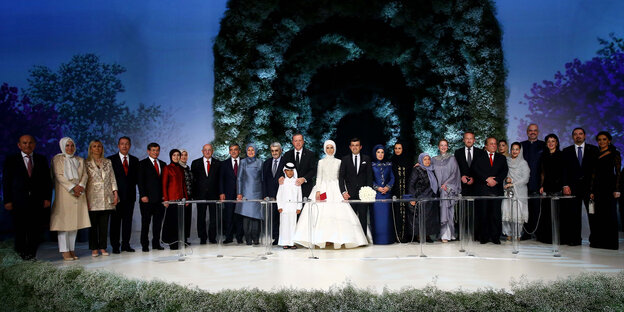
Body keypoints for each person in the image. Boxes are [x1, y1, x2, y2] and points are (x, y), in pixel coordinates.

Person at [294, 140, 368, 248]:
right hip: (323, 188)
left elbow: (341, 177)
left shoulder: (339, 161)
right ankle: (323, 239)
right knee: (321, 214)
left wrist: (343, 191)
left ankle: (336, 239)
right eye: (327, 148)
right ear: (325, 149)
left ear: (334, 149)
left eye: (331, 147)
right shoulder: (321, 162)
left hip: (336, 189)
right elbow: (319, 177)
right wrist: (318, 190)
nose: (329, 150)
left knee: (337, 214)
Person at [2, 134, 53, 260]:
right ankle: (21, 253)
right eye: (24, 143)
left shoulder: (41, 159)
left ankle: (31, 253)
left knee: (34, 229)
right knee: (20, 229)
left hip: (36, 201)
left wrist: (47, 198)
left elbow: (47, 181)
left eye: (30, 143)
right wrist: (7, 200)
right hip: (18, 201)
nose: (27, 145)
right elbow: (6, 181)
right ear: (19, 145)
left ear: (34, 144)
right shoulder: (11, 160)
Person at [50, 137, 90, 260]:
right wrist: (73, 187)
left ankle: (72, 249)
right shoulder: (57, 159)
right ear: (62, 146)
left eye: (72, 145)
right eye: (67, 145)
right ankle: (64, 250)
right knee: (63, 224)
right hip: (65, 193)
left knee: (74, 223)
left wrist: (81, 186)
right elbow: (59, 176)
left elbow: (84, 175)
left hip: (79, 193)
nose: (70, 148)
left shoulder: (79, 159)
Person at [561, 127, 599, 246]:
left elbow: (596, 170)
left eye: (580, 134)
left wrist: (594, 188)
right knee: (573, 214)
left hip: (589, 188)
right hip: (572, 188)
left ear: (585, 136)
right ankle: (575, 239)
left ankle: (595, 240)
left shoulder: (593, 150)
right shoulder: (566, 151)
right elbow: (564, 170)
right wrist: (565, 185)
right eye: (575, 134)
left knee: (592, 214)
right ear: (573, 137)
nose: (578, 136)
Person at [472, 137, 508, 244]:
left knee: (495, 215)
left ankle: (495, 237)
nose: (494, 145)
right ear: (486, 146)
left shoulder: (501, 158)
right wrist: (486, 179)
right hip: (483, 190)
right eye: (491, 144)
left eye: (495, 144)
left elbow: (504, 171)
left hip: (496, 190)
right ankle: (484, 237)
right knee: (483, 214)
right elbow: (475, 169)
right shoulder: (479, 157)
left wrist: (496, 180)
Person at [85, 140, 118, 257]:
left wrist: (115, 193)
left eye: (99, 146)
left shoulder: (108, 162)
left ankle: (103, 247)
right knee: (93, 225)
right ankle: (94, 248)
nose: (97, 148)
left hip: (106, 197)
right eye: (94, 146)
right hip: (92, 197)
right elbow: (85, 181)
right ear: (91, 149)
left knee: (104, 225)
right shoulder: (86, 163)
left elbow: (112, 178)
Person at [588, 131, 621, 250]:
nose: (601, 142)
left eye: (604, 139)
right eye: (599, 140)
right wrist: (591, 190)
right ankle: (598, 242)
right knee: (598, 215)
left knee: (610, 215)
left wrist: (617, 189)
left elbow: (618, 173)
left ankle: (610, 243)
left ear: (609, 141)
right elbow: (593, 174)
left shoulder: (614, 154)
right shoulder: (595, 154)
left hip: (609, 188)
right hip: (597, 188)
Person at [107, 136, 139, 254]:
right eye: (122, 144)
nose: (124, 146)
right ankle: (115, 246)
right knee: (115, 222)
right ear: (118, 146)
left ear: (130, 146)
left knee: (127, 222)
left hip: (130, 197)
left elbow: (137, 179)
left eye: (127, 144)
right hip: (116, 197)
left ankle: (126, 244)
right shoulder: (110, 160)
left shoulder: (135, 160)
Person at [339, 138, 374, 233]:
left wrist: (369, 192)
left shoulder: (366, 158)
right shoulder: (345, 159)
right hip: (350, 194)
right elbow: (341, 177)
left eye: (357, 145)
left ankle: (363, 239)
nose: (355, 147)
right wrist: (343, 191)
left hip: (363, 194)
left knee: (363, 216)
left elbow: (369, 176)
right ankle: (353, 240)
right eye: (353, 145)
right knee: (351, 217)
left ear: (360, 147)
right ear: (350, 147)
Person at [137, 142, 167, 252]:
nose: (155, 152)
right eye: (153, 150)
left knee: (158, 223)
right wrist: (143, 195)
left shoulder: (163, 164)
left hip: (160, 200)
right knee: (145, 223)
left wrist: (165, 196)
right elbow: (140, 181)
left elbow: (165, 182)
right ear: (148, 151)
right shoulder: (142, 164)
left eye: (157, 150)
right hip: (147, 200)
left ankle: (156, 243)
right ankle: (145, 244)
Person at [536, 134, 564, 244]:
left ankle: (559, 238)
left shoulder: (562, 155)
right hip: (547, 186)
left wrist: (563, 185)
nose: (551, 143)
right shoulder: (543, 155)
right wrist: (541, 186)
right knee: (547, 212)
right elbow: (542, 173)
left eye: (553, 141)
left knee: (558, 213)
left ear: (557, 143)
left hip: (558, 186)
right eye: (548, 141)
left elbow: (564, 172)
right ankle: (546, 237)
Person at [432, 139, 462, 242]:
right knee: (439, 212)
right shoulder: (434, 159)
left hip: (448, 190)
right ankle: (441, 234)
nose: (443, 147)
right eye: (441, 145)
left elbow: (455, 174)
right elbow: (429, 169)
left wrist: (446, 184)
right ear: (438, 147)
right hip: (438, 190)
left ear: (448, 147)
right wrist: (420, 165)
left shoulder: (452, 159)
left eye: (445, 145)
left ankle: (448, 235)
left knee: (449, 211)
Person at [191, 144, 221, 244]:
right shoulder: (195, 163)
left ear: (212, 151)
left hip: (214, 195)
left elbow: (220, 181)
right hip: (200, 195)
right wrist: (194, 195)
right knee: (201, 217)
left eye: (209, 150)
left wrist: (221, 193)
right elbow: (193, 181)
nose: (207, 152)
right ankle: (202, 237)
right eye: (205, 150)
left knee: (214, 218)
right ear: (202, 151)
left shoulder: (218, 163)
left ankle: (212, 237)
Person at [407, 153, 440, 242]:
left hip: (431, 198)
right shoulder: (417, 170)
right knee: (421, 218)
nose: (427, 161)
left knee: (429, 219)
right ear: (421, 160)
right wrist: (413, 198)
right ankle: (419, 235)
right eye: (425, 159)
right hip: (420, 197)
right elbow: (411, 184)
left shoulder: (432, 169)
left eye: (428, 159)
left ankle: (427, 235)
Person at [521, 123, 546, 240]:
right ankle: (527, 232)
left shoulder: (544, 145)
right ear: (527, 132)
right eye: (530, 130)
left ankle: (539, 233)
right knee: (525, 208)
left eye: (535, 130)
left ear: (538, 132)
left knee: (538, 209)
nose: (532, 132)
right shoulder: (521, 146)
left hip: (537, 183)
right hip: (523, 183)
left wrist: (543, 183)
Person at [236, 143, 264, 245]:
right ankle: (247, 238)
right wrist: (239, 193)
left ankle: (256, 238)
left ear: (255, 151)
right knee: (246, 217)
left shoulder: (260, 162)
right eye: (249, 150)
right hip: (246, 193)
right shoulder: (243, 162)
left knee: (256, 217)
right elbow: (239, 178)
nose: (251, 152)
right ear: (246, 151)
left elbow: (263, 179)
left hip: (257, 192)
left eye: (252, 150)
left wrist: (264, 194)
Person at [501, 142, 530, 240]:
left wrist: (512, 183)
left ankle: (517, 235)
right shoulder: (506, 161)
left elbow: (525, 179)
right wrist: (506, 180)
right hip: (508, 191)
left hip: (519, 192)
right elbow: (503, 174)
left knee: (517, 214)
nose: (514, 151)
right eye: (513, 149)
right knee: (507, 212)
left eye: (517, 149)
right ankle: (508, 234)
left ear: (520, 151)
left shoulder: (523, 163)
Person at [161, 149, 188, 250]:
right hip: (171, 200)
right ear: (171, 157)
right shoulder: (167, 168)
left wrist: (186, 198)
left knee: (180, 222)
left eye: (178, 155)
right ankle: (172, 243)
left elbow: (183, 185)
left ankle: (180, 241)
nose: (176, 157)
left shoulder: (181, 169)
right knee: (172, 222)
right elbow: (164, 185)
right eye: (174, 155)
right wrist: (166, 199)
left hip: (181, 199)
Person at [370, 145, 395, 245]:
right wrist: (377, 188)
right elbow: (369, 179)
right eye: (378, 152)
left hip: (387, 194)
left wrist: (388, 187)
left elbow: (392, 178)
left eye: (382, 152)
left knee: (387, 218)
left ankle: (387, 239)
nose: (380, 154)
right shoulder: (371, 165)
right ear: (375, 153)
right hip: (376, 195)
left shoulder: (388, 164)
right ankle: (377, 240)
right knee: (377, 218)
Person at [219, 143, 244, 244]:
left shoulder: (244, 162)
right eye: (231, 149)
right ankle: (228, 237)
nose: (233, 151)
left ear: (239, 151)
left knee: (239, 216)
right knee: (228, 216)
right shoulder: (224, 164)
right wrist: (221, 192)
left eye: (235, 149)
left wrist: (242, 192)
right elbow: (220, 179)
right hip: (228, 194)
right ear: (229, 151)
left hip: (240, 194)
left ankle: (239, 238)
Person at [262, 142, 285, 245]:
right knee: (273, 218)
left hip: (283, 196)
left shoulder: (286, 162)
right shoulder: (266, 163)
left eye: (276, 150)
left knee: (282, 218)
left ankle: (283, 238)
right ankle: (275, 238)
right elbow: (264, 180)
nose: (274, 153)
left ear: (280, 150)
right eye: (272, 151)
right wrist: (265, 195)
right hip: (270, 196)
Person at [281, 134, 317, 199]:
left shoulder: (310, 154)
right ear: (292, 142)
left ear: (303, 141)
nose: (298, 143)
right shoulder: (287, 154)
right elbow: (283, 170)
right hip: (290, 188)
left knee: (304, 208)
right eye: (295, 141)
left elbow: (313, 170)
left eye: (300, 140)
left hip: (305, 187)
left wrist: (304, 179)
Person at [390, 142, 413, 242]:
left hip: (407, 192)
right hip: (395, 192)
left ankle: (405, 236)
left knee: (406, 214)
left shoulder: (408, 161)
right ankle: (397, 236)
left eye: (399, 148)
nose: (397, 150)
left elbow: (411, 177)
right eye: (396, 148)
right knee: (396, 214)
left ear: (403, 149)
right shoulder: (391, 161)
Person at [276, 162, 302, 249]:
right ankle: (284, 242)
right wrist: (279, 206)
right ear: (285, 171)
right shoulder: (283, 182)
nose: (290, 173)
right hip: (284, 207)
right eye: (288, 171)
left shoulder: (297, 182)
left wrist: (299, 207)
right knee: (284, 225)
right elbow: (279, 195)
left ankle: (292, 243)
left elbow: (300, 196)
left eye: (291, 171)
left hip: (294, 208)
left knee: (293, 225)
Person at [454, 131, 483, 196]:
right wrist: (461, 176)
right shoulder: (458, 152)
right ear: (463, 140)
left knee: (476, 206)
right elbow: (455, 168)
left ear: (474, 140)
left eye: (471, 138)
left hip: (477, 186)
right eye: (467, 138)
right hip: (462, 186)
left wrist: (474, 178)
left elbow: (482, 168)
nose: (469, 140)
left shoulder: (480, 152)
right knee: (463, 205)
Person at [179, 149, 193, 244]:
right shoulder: (177, 167)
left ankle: (185, 239)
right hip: (180, 198)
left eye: (185, 155)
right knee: (180, 219)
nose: (184, 157)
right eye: (182, 155)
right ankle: (180, 239)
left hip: (189, 197)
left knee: (187, 219)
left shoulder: (187, 167)